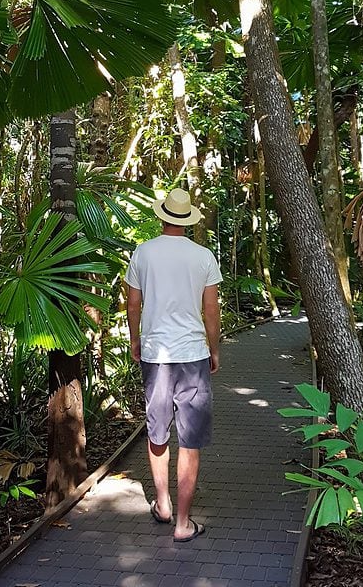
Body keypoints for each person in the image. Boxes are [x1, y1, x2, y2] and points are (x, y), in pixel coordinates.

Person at [125, 188, 221, 543]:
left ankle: (162, 503)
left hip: (156, 355)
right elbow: (211, 311)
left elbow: (132, 304)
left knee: (157, 431)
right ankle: (183, 523)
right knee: (190, 440)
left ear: (163, 216)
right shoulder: (203, 256)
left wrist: (135, 340)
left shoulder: (143, 252)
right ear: (188, 219)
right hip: (192, 355)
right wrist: (214, 349)